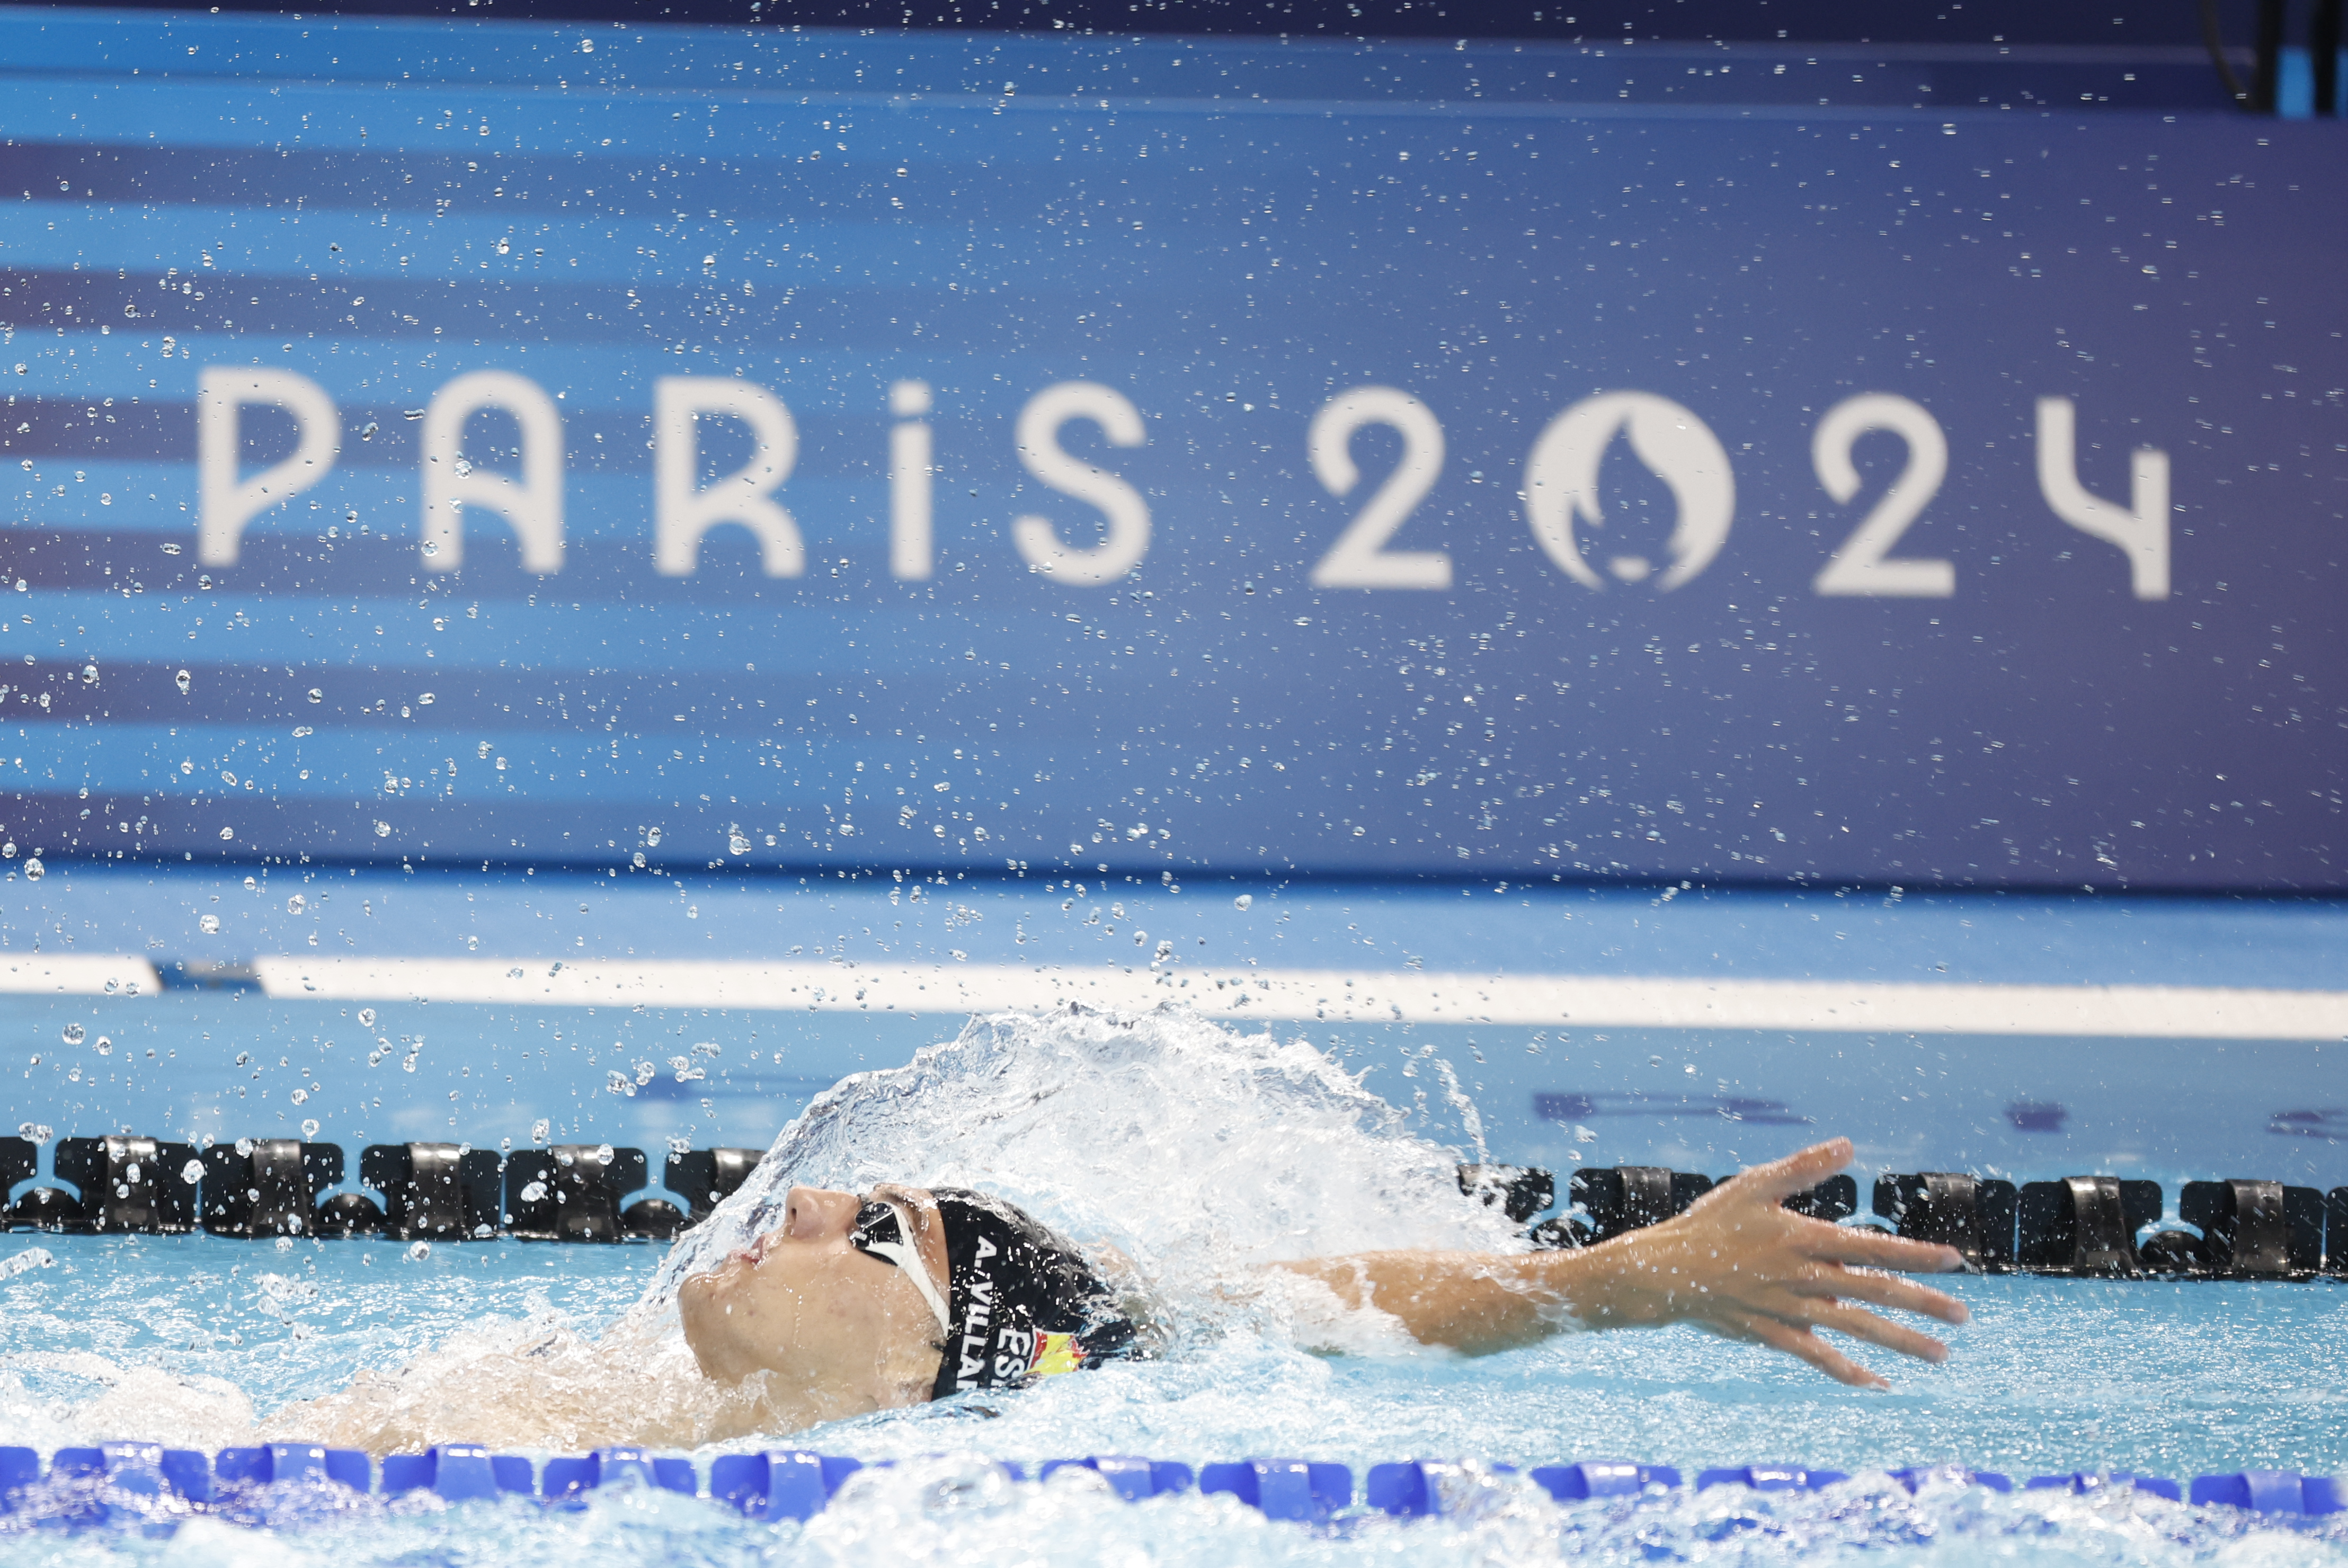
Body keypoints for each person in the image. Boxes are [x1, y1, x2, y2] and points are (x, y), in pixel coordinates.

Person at [676, 1136, 1969, 1433]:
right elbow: (1273, 1303)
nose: (799, 1199)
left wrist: (1623, 1281)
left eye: (875, 1232)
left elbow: (1305, 1311)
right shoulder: (588, 1394)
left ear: (931, 1366)